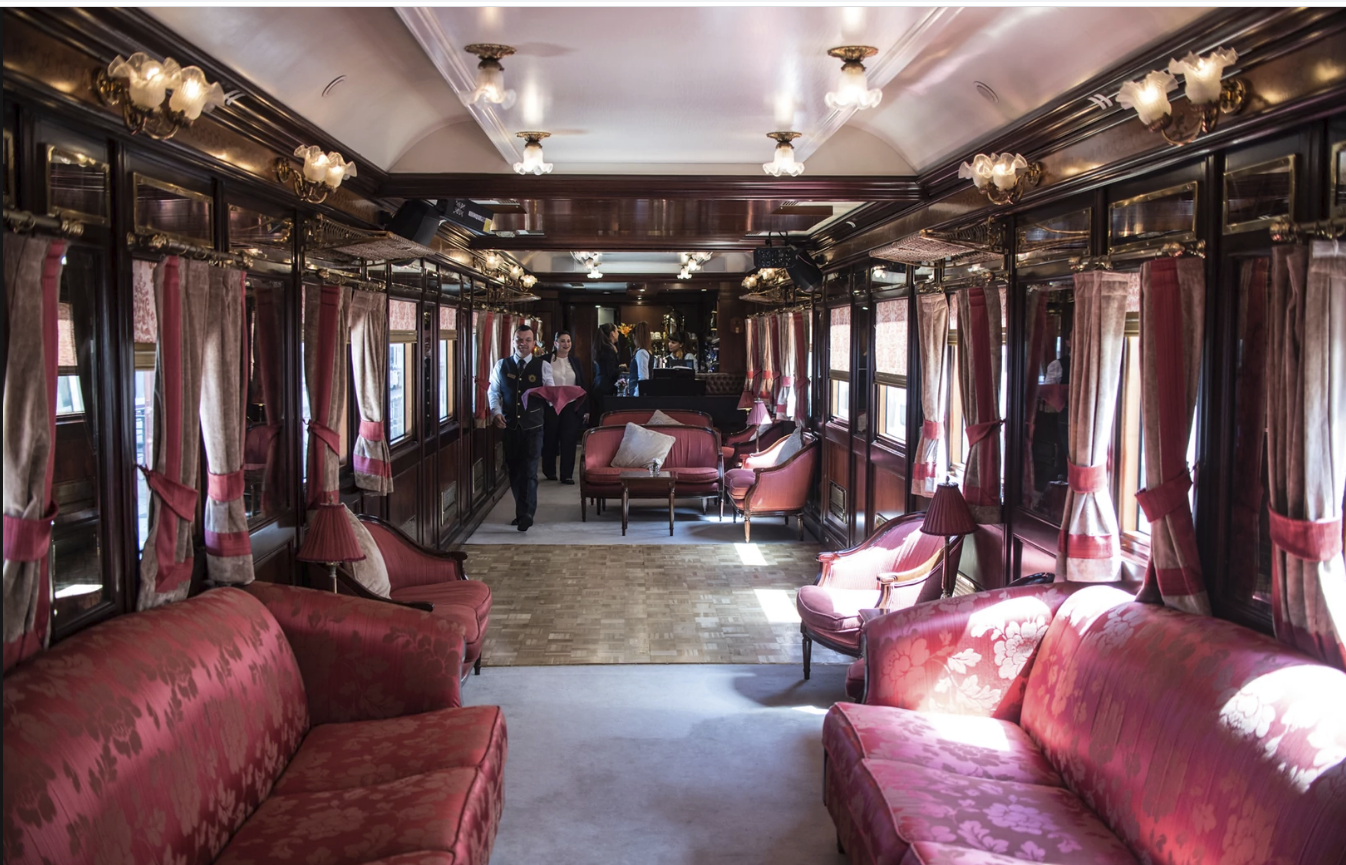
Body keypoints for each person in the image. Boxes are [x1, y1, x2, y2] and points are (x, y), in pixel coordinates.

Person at [488, 323, 553, 531]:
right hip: (510, 426)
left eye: (527, 340)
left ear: (534, 343)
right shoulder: (501, 365)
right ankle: (521, 512)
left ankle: (527, 514)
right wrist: (496, 412)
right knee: (515, 471)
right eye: (519, 340)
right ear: (513, 342)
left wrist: (547, 396)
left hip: (534, 427)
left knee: (530, 470)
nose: (523, 344)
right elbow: (493, 392)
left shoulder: (543, 366)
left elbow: (551, 395)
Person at [543, 330, 588, 485]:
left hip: (571, 405)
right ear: (555, 343)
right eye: (562, 341)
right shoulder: (545, 360)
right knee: (550, 438)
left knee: (569, 439)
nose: (566, 344)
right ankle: (549, 470)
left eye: (568, 341)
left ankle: (566, 474)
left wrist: (585, 408)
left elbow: (582, 384)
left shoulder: (575, 361)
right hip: (551, 405)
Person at [591, 322, 620, 421]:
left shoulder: (601, 347)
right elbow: (611, 372)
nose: (618, 334)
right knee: (604, 418)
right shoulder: (609, 350)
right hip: (605, 388)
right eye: (617, 331)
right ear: (612, 333)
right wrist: (622, 369)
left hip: (598, 385)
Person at [628, 322, 652, 396]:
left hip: (637, 394)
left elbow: (643, 377)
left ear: (635, 336)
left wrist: (636, 395)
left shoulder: (641, 352)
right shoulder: (645, 351)